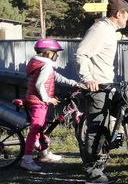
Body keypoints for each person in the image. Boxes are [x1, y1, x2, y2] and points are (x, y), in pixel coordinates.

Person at [75, 0, 128, 184]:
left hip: (108, 85)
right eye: (126, 15)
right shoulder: (100, 29)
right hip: (97, 87)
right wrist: (87, 78)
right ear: (118, 14)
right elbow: (81, 53)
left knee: (127, 112)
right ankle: (92, 172)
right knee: (97, 128)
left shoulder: (109, 31)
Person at [20, 38, 85, 172]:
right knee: (35, 129)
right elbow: (39, 84)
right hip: (39, 101)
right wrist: (47, 98)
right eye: (56, 53)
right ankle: (27, 160)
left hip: (37, 100)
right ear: (48, 53)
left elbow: (55, 77)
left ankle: (43, 154)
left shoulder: (41, 63)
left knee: (41, 128)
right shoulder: (46, 65)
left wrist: (73, 83)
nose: (57, 55)